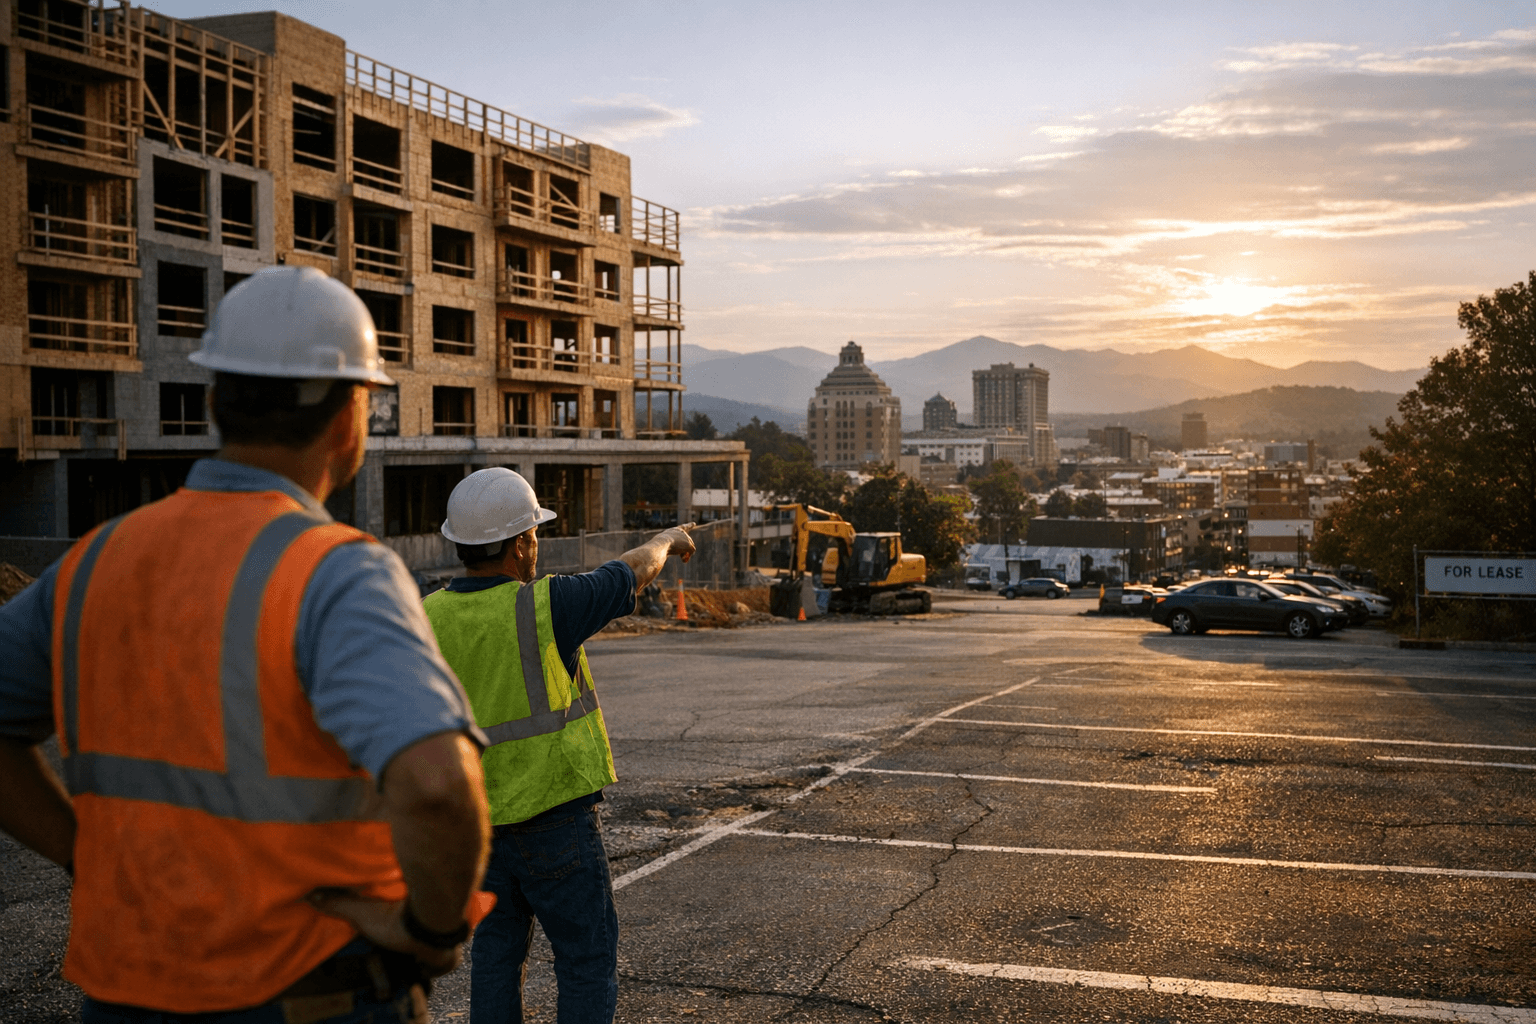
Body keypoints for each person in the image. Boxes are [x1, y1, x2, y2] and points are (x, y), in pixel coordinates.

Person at [0, 266, 492, 1024]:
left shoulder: (94, 562)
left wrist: (83, 855)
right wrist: (434, 929)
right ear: (350, 416)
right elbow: (435, 785)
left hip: (127, 995)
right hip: (304, 992)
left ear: (212, 401)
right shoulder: (335, 571)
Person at [422, 468, 696, 1024]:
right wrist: (667, 539)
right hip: (555, 820)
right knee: (585, 959)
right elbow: (631, 572)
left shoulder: (425, 617)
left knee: (495, 959)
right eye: (535, 536)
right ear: (521, 542)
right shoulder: (545, 606)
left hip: (480, 827)